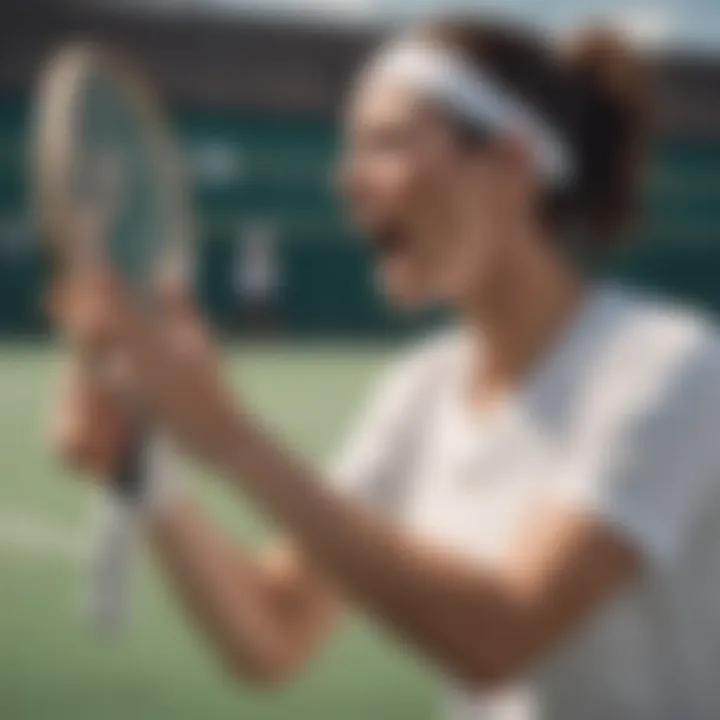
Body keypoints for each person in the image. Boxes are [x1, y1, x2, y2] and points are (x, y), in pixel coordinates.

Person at [49, 19, 720, 720]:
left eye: (390, 142)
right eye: (350, 147)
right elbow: (273, 634)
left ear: (512, 164)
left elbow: (500, 634)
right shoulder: (418, 391)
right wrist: (148, 469)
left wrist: (226, 434)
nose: (345, 178)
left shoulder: (671, 367)